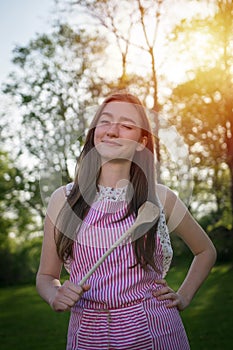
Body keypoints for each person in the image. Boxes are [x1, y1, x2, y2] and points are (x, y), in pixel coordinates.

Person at [36, 92, 217, 350]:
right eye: (105, 121)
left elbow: (205, 251)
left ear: (142, 141)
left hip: (156, 332)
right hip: (87, 336)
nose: (112, 130)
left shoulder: (160, 197)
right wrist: (55, 294)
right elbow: (46, 275)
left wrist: (184, 296)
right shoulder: (63, 199)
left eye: (126, 125)